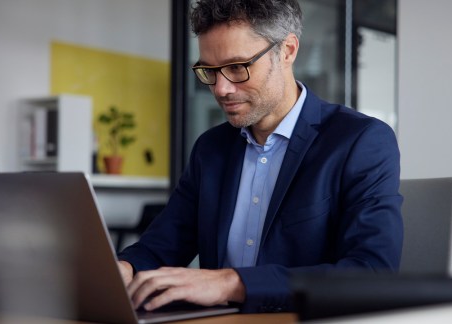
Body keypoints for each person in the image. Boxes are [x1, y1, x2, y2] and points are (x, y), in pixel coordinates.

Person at [117, 0, 403, 313]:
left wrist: (231, 283)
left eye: (237, 67)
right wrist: (126, 268)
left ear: (288, 51)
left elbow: (371, 272)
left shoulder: (359, 141)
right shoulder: (210, 149)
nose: (221, 89)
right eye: (209, 71)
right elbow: (162, 246)